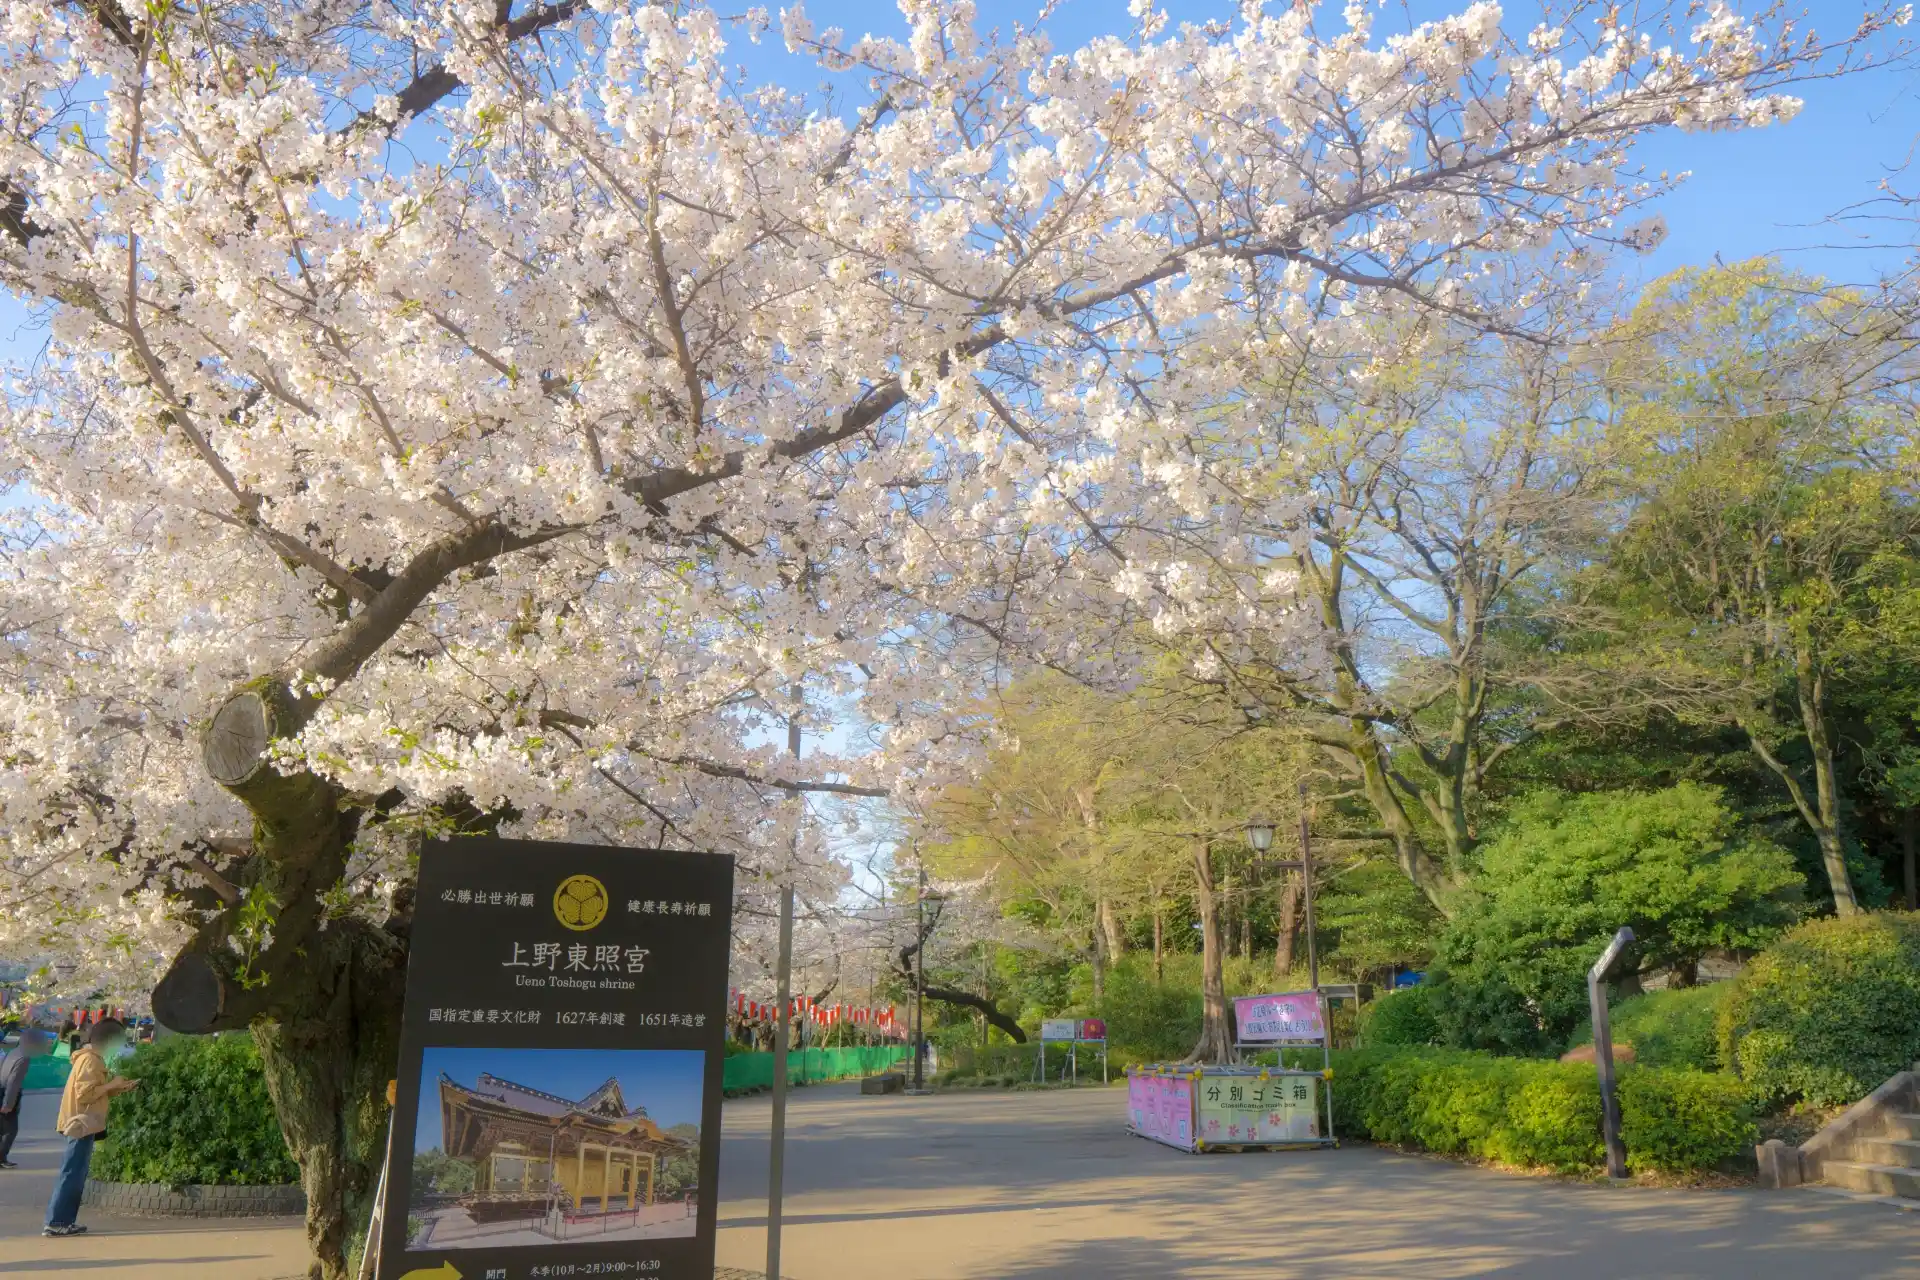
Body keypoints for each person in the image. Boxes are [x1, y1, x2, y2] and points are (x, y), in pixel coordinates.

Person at [43, 1017, 137, 1238]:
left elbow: (94, 1091)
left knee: (75, 1173)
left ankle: (64, 1221)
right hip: (80, 1123)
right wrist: (112, 1084)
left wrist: (119, 1088)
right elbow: (84, 1094)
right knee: (72, 1173)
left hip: (84, 1123)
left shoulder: (91, 1059)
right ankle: (57, 1221)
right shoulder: (91, 1061)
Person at [0, 1027, 50, 1169]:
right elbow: (13, 1081)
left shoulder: (13, 1052)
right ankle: (1, 1157)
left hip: (1, 1089)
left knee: (2, 1128)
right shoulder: (23, 1058)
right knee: (10, 1130)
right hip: (7, 1093)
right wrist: (8, 1103)